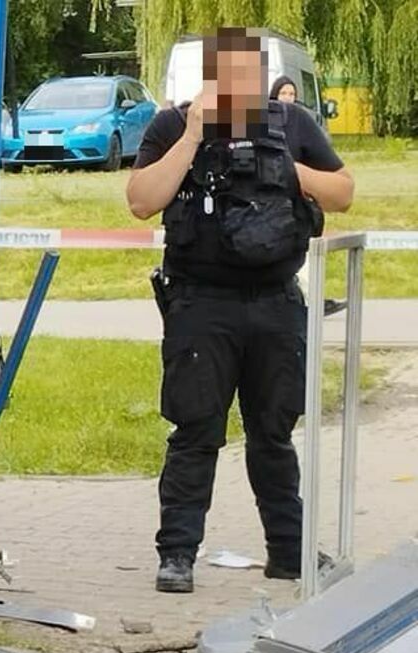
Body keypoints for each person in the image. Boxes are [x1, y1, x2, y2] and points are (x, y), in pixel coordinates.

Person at [126, 28, 355, 594]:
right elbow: (141, 201)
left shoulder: (291, 123)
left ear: (260, 75)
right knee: (195, 430)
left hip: (275, 302)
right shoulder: (173, 125)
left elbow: (343, 192)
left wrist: (286, 167)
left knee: (273, 433)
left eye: (247, 75)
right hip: (201, 303)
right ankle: (177, 555)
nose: (237, 87)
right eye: (226, 75)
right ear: (210, 76)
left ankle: (288, 552)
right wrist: (194, 135)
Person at [271, 75, 349, 316]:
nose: (287, 98)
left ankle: (312, 301)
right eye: (283, 93)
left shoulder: (299, 122)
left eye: (291, 94)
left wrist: (292, 172)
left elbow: (343, 191)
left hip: (294, 220)